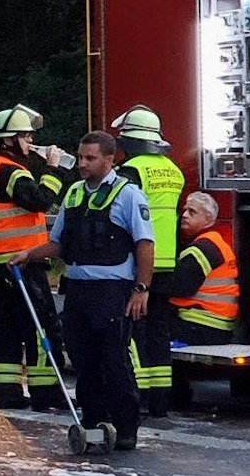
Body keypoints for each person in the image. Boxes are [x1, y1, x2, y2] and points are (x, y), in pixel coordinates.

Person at [10, 131, 154, 451]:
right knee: (83, 360)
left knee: (114, 360)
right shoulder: (74, 193)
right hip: (78, 290)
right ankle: (93, 421)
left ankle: (126, 426)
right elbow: (58, 243)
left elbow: (145, 244)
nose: (82, 164)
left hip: (113, 291)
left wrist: (141, 289)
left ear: (109, 159)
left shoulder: (128, 195)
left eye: (90, 158)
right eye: (81, 157)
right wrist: (29, 254)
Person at [0, 105, 64, 410]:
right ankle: (47, 392)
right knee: (41, 327)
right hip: (20, 264)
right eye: (26, 136)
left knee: (5, 331)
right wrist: (53, 169)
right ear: (9, 139)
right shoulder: (6, 169)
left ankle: (7, 392)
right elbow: (38, 199)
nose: (30, 142)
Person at [111, 104, 185, 415]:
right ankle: (160, 400)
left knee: (135, 331)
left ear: (128, 141)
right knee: (159, 331)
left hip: (139, 262)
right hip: (167, 262)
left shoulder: (131, 171)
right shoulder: (174, 170)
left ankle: (137, 395)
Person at [166, 193, 240, 409]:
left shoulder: (203, 248)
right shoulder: (213, 242)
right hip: (212, 324)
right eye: (185, 210)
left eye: (192, 212)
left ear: (209, 219)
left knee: (150, 331)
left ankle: (170, 394)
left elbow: (180, 288)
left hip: (202, 324)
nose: (185, 215)